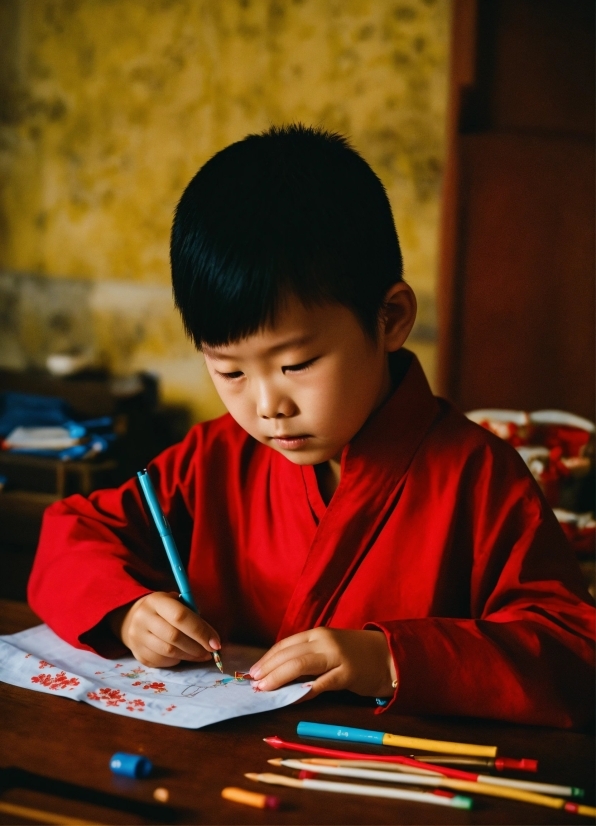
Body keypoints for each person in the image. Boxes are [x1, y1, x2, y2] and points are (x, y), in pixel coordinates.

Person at [28, 125, 595, 727]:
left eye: (296, 363)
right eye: (230, 371)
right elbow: (72, 535)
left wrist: (391, 658)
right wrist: (128, 612)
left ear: (390, 318)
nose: (268, 405)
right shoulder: (214, 458)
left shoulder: (476, 476)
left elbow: (572, 651)